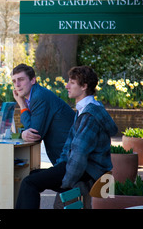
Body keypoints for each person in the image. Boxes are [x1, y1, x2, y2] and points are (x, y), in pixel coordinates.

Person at [16, 66, 118, 209]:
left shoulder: (89, 115)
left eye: (72, 82)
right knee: (31, 176)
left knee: (30, 182)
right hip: (81, 168)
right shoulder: (83, 109)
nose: (67, 85)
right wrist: (57, 169)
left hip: (89, 172)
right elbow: (68, 147)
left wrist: (66, 183)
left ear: (84, 86)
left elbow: (79, 154)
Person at [11, 63, 74, 165]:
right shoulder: (35, 94)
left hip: (69, 160)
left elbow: (34, 134)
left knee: (29, 180)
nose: (17, 85)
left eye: (21, 79)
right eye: (14, 81)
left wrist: (22, 105)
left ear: (32, 80)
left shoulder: (39, 96)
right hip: (65, 157)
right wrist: (23, 133)